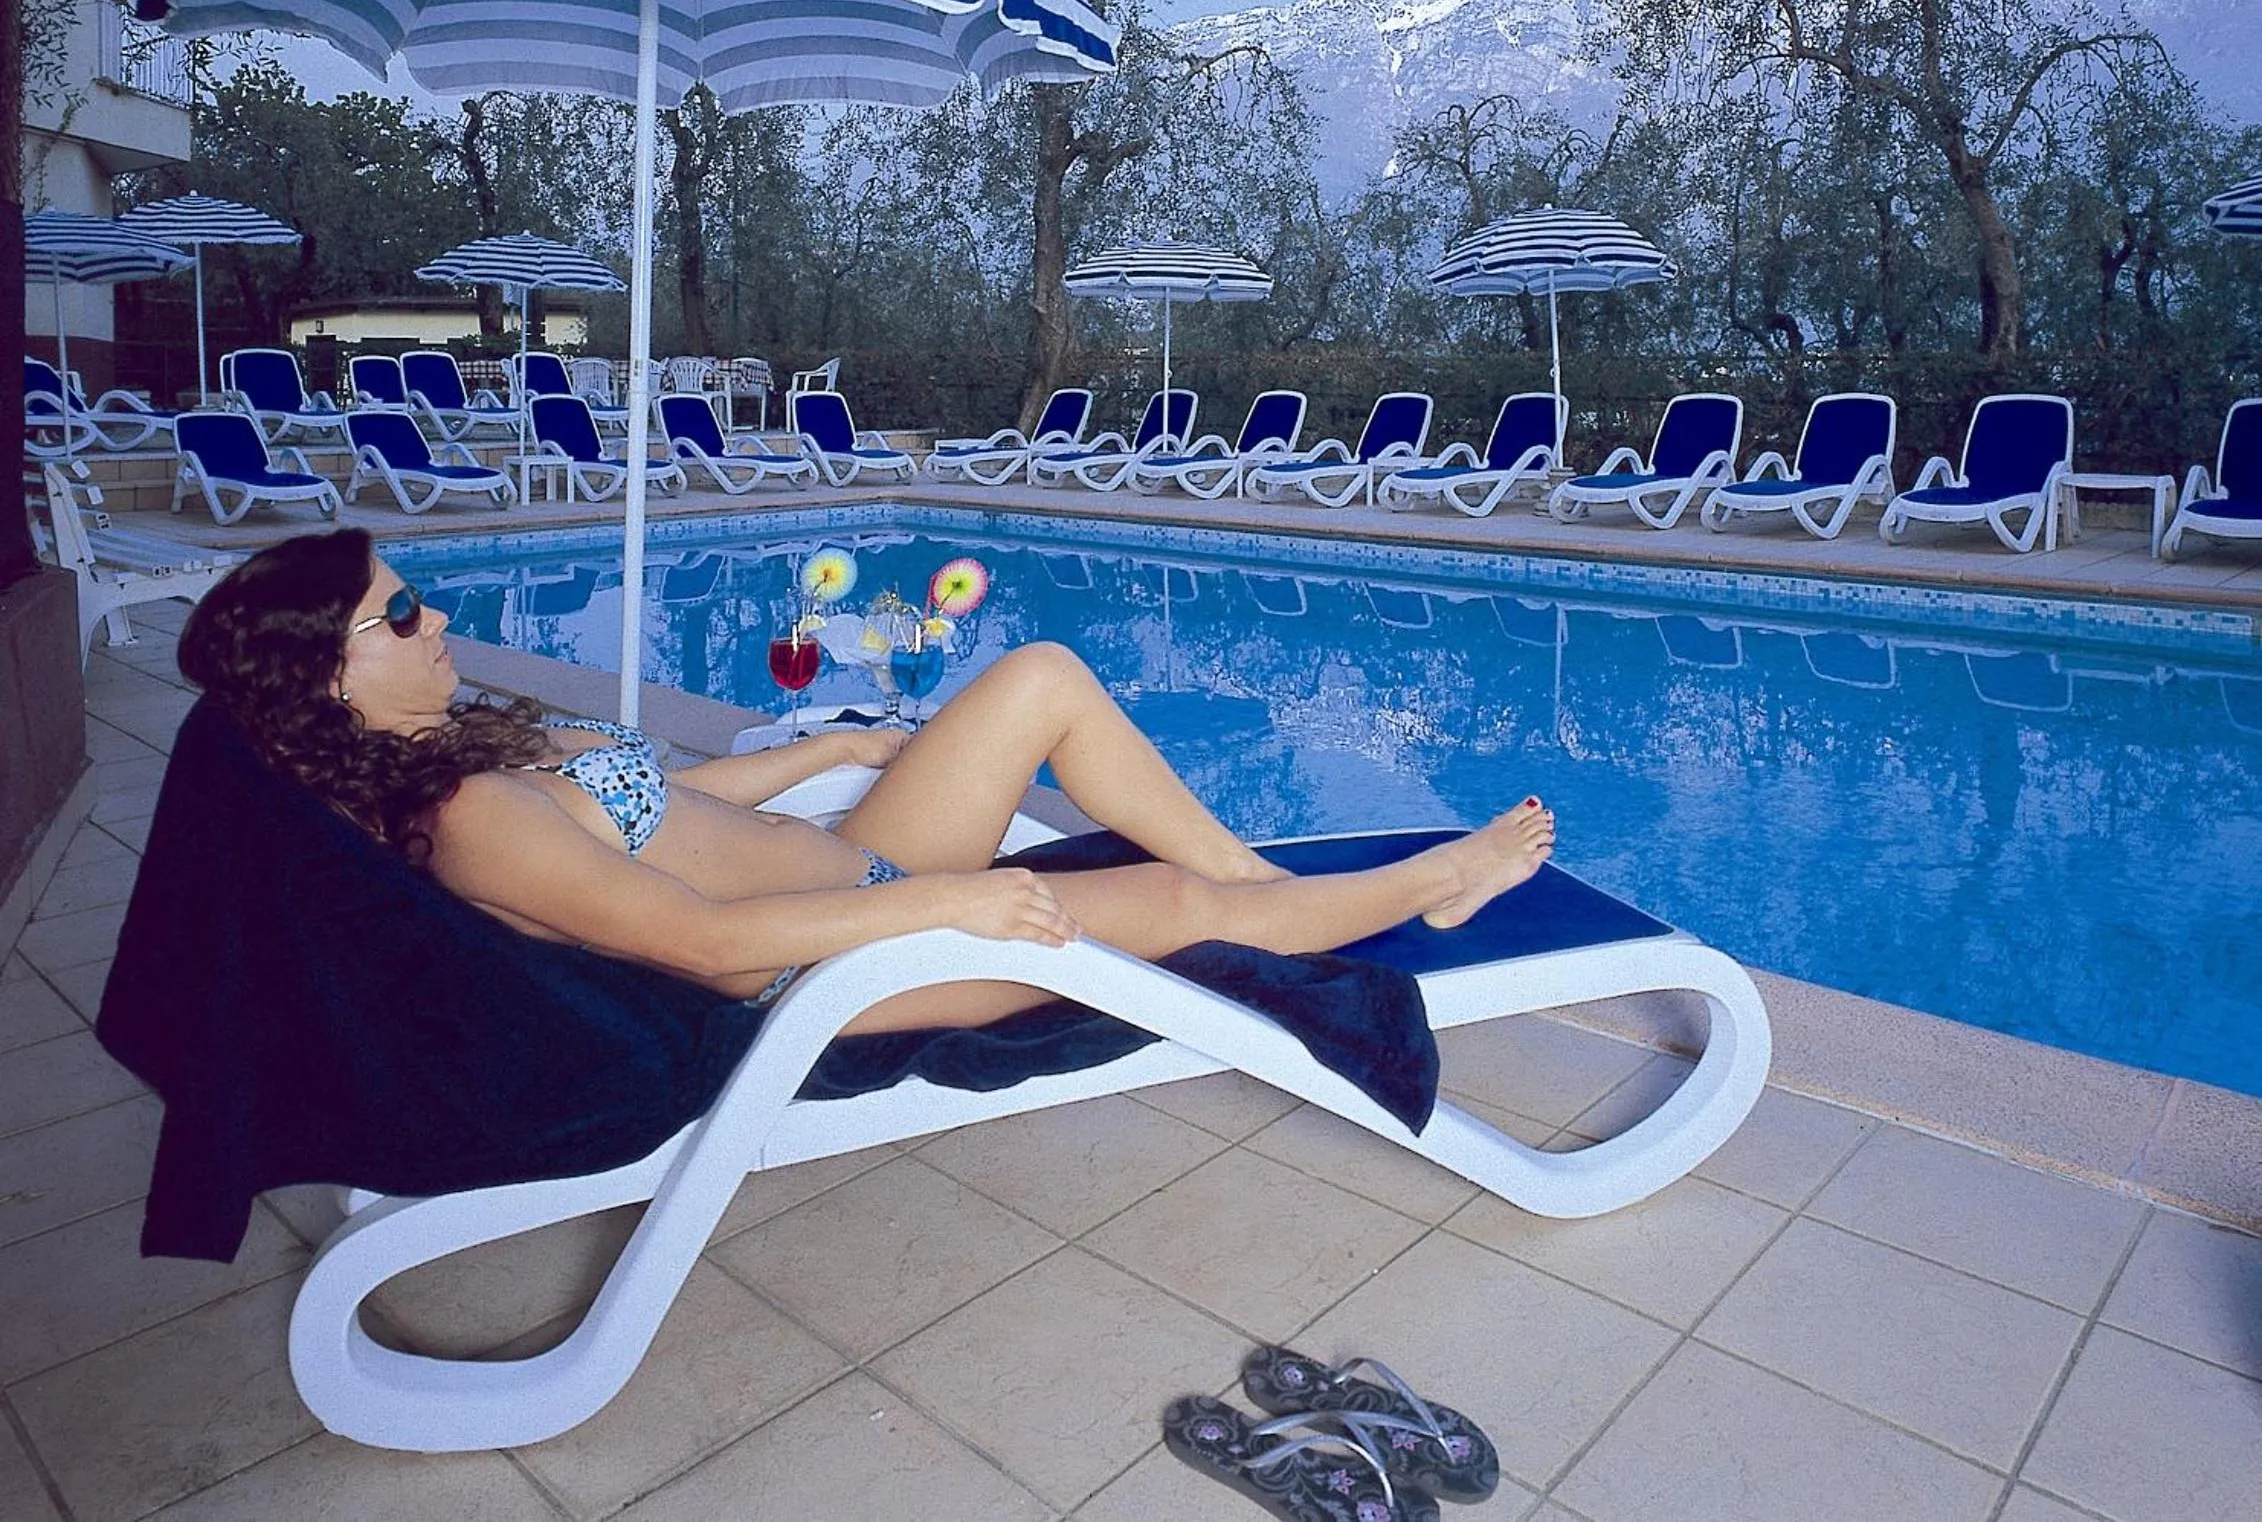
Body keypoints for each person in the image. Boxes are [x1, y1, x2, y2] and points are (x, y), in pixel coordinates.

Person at [177, 529, 1557, 1033]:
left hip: (871, 874)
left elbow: (670, 798)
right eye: (399, 617)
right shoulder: (467, 819)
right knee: (1172, 898)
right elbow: (708, 947)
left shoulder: (460, 746)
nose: (433, 621)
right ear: (325, 679)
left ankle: (1270, 887)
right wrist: (943, 910)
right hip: (835, 969)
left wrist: (833, 750)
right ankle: (1420, 891)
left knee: (1043, 677)